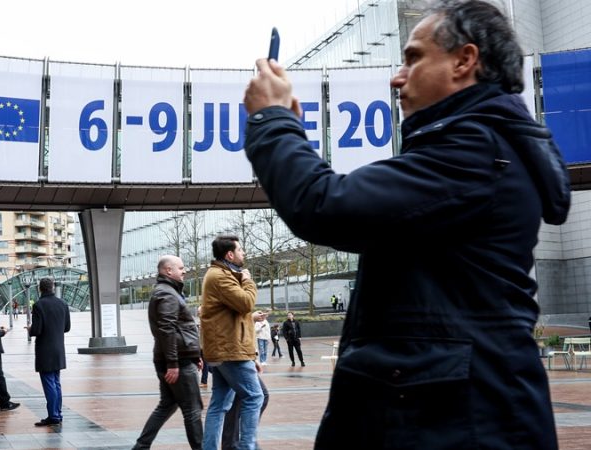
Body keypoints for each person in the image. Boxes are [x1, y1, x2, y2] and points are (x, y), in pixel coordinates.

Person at [243, 1, 569, 448]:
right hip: (452, 416)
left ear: (464, 60)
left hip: (458, 425)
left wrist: (271, 120)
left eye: (414, 57)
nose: (398, 76)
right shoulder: (478, 146)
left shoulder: (472, 151)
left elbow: (323, 205)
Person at [200, 235, 263, 450]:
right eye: (240, 250)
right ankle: (247, 447)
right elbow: (246, 303)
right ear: (230, 254)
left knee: (219, 404)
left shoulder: (220, 274)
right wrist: (247, 279)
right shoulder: (220, 276)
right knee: (255, 397)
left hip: (223, 350)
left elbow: (232, 312)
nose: (243, 253)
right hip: (230, 352)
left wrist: (252, 319)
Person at [133, 256, 203, 450]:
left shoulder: (168, 292)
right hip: (177, 361)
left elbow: (179, 329)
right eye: (181, 268)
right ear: (168, 271)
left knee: (167, 405)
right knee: (193, 410)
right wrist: (173, 363)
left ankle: (141, 446)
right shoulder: (167, 294)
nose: (184, 270)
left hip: (176, 357)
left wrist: (195, 355)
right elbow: (167, 329)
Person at [222, 312, 271, 450]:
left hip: (237, 353)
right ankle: (245, 442)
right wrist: (251, 317)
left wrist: (253, 357)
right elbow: (227, 322)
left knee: (235, 401)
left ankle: (239, 442)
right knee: (257, 396)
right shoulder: (227, 292)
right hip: (233, 354)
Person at [26, 277, 72, 427]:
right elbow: (67, 328)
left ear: (40, 288)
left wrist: (30, 329)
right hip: (58, 349)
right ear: (52, 287)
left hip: (45, 350)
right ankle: (57, 413)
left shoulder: (39, 305)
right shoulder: (63, 303)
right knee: (56, 383)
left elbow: (37, 330)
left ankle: (53, 416)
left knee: (49, 384)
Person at [196, 306, 210, 388]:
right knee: (208, 366)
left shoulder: (207, 322)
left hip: (205, 346)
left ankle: (204, 382)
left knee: (205, 364)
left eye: (199, 312)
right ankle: (219, 373)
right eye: (198, 312)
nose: (198, 313)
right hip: (200, 346)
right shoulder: (200, 322)